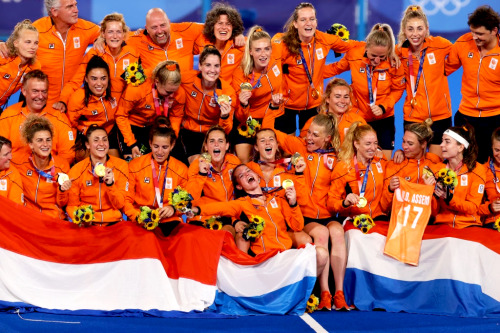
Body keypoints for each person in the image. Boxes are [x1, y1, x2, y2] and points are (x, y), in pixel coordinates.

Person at [191, 164, 328, 281]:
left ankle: (299, 293)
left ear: (257, 177)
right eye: (241, 175)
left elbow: (297, 226)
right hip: (265, 260)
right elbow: (219, 208)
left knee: (321, 254)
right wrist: (196, 210)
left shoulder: (277, 199)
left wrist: (293, 204)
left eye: (248, 171)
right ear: (239, 186)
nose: (246, 174)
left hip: (285, 255)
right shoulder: (242, 204)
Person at [274, 113, 349, 311]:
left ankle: (339, 292)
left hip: (328, 214)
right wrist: (274, 108)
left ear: (327, 138)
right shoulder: (298, 147)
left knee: (338, 232)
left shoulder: (338, 157)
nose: (308, 138)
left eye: (315, 135)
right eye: (308, 133)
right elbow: (272, 133)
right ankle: (324, 292)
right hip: (305, 215)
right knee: (322, 233)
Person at [324, 23, 405, 160]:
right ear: (366, 47)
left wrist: (383, 107)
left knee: (384, 162)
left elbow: (398, 90)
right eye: (373, 55)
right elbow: (335, 68)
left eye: (382, 57)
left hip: (384, 118)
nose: (377, 60)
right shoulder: (355, 54)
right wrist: (310, 71)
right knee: (356, 160)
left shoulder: (394, 62)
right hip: (358, 117)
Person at [271, 2, 354, 134]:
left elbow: (353, 46)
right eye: (303, 20)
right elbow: (270, 67)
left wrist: (386, 51)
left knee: (310, 146)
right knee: (286, 150)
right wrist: (278, 92)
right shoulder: (283, 44)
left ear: (316, 22)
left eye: (312, 19)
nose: (308, 23)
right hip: (286, 106)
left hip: (313, 105)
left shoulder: (324, 39)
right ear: (295, 24)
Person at [0, 0, 100, 106]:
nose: (76, 10)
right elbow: (12, 45)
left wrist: (101, 39)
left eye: (76, 5)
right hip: (37, 103)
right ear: (54, 11)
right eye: (70, 7)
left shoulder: (86, 28)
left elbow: (111, 34)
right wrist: (1, 43)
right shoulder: (37, 29)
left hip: (68, 103)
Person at [396, 5, 453, 158]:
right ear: (404, 30)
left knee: (436, 163)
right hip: (413, 116)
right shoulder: (398, 53)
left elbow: (460, 53)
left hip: (440, 116)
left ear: (427, 29)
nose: (415, 34)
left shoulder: (439, 44)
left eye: (420, 28)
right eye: (411, 29)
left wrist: (446, 69)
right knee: (414, 163)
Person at [446, 5, 500, 163]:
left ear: (494, 31)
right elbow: (444, 69)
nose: (475, 37)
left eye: (480, 34)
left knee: (490, 162)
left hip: (494, 117)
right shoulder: (464, 42)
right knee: (465, 161)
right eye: (473, 32)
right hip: (466, 114)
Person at [247, 128, 313, 246]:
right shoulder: (248, 170)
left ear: (277, 145)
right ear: (256, 147)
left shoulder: (287, 170)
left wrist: (298, 174)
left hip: (282, 228)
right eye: (262, 140)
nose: (267, 143)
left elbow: (303, 200)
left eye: (271, 139)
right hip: (257, 226)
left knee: (306, 241)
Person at [57, 13, 140, 108]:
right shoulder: (95, 53)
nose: (115, 36)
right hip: (99, 110)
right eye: (110, 32)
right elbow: (75, 82)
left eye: (118, 32)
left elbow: (137, 84)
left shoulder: (132, 53)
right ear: (103, 34)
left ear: (124, 33)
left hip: (124, 109)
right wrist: (63, 101)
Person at [124, 116, 188, 234]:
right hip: (140, 219)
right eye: (156, 146)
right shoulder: (135, 166)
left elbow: (186, 202)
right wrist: (137, 216)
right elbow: (126, 200)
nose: (159, 152)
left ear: (172, 145)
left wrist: (173, 209)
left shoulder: (181, 170)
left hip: (169, 220)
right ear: (150, 143)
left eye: (164, 147)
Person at [231, 26, 282, 163]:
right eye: (258, 50)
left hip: (274, 116)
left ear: (271, 49)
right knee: (244, 161)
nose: (263, 54)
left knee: (281, 156)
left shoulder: (277, 57)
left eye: (266, 49)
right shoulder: (240, 74)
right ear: (251, 52)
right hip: (249, 120)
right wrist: (244, 103)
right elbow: (240, 116)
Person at [0, 70, 75, 164]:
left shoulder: (59, 117)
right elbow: (1, 152)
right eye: (35, 91)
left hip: (48, 174)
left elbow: (68, 154)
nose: (40, 96)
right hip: (15, 174)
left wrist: (49, 169)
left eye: (44, 91)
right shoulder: (9, 115)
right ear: (24, 91)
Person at [115, 60, 185, 160]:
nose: (172, 96)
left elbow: (176, 116)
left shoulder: (179, 93)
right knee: (132, 160)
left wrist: (172, 136)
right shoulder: (136, 89)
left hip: (153, 126)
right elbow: (121, 115)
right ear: (157, 82)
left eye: (174, 91)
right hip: (131, 125)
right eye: (168, 92)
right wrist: (131, 143)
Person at [180, 46, 236, 164]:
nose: (212, 70)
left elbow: (227, 129)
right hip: (190, 131)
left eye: (216, 66)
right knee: (197, 163)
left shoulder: (227, 92)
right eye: (208, 65)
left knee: (215, 163)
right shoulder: (186, 79)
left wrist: (225, 116)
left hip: (213, 133)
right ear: (200, 66)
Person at [66, 124, 129, 226]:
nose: (101, 144)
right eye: (96, 140)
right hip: (88, 223)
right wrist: (81, 218)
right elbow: (72, 205)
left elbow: (120, 204)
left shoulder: (121, 166)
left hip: (113, 224)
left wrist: (110, 185)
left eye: (105, 140)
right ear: (88, 145)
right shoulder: (76, 170)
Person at [12, 114, 70, 219]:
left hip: (52, 219)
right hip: (28, 217)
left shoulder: (62, 165)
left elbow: (62, 203)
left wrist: (62, 190)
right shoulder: (18, 162)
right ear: (30, 144)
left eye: (48, 139)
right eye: (39, 140)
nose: (45, 144)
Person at [186, 126, 240, 236]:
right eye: (212, 141)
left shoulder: (234, 162)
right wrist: (202, 174)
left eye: (220, 141)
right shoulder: (197, 165)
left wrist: (235, 219)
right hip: (204, 215)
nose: (216, 144)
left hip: (227, 214)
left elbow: (240, 194)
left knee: (227, 235)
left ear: (227, 146)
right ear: (206, 146)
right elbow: (189, 198)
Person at [430, 124, 485, 228]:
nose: (441, 145)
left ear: (460, 147)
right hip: (442, 225)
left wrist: (450, 199)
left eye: (447, 142)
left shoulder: (477, 170)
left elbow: (472, 207)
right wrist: (431, 193)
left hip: (468, 225)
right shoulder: (435, 170)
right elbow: (432, 212)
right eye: (442, 141)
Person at [380, 119, 441, 213]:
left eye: (410, 143)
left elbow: (436, 211)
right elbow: (384, 208)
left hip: (427, 221)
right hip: (400, 221)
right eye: (403, 141)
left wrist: (429, 190)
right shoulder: (395, 165)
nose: (404, 147)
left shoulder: (435, 162)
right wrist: (390, 190)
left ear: (423, 144)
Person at [67, 55, 120, 161]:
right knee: (86, 163)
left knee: (115, 164)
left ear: (108, 78)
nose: (99, 83)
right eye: (94, 78)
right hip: (87, 136)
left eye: (103, 78)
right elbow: (72, 122)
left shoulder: (116, 90)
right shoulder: (77, 98)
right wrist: (87, 131)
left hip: (110, 133)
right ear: (86, 78)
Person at [126, 8, 203, 73]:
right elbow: (116, 36)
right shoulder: (138, 39)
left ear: (169, 23)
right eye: (154, 27)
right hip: (153, 90)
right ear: (147, 29)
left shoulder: (185, 31)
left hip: (186, 88)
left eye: (163, 25)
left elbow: (211, 26)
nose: (159, 31)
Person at [300, 78, 366, 142]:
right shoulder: (314, 122)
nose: (342, 101)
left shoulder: (357, 122)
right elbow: (302, 147)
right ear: (327, 99)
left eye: (346, 97)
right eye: (337, 96)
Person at [194, 2, 245, 84]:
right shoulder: (201, 42)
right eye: (220, 23)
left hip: (229, 94)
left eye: (228, 24)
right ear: (212, 26)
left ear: (233, 27)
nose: (224, 27)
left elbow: (260, 42)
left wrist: (239, 35)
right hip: (205, 92)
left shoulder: (241, 45)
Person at [0, 19, 41, 109]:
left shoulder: (35, 67)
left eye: (36, 43)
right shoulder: (3, 56)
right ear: (16, 43)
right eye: (28, 42)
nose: (32, 47)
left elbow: (27, 95)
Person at [479, 128, 500, 227]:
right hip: (492, 223)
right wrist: (489, 208)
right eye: (497, 150)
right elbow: (472, 208)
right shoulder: (482, 171)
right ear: (491, 147)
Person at [0, 136, 24, 204]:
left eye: (10, 152)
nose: (11, 157)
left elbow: (15, 208)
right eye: (6, 154)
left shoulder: (12, 173)